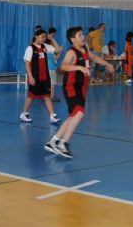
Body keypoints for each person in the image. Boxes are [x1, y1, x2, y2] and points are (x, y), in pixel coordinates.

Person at [44, 27, 114, 158]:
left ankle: (53, 141)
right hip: (71, 86)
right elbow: (62, 67)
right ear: (73, 39)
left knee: (73, 116)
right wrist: (79, 67)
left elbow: (94, 58)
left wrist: (107, 64)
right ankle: (63, 143)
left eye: (83, 34)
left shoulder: (85, 49)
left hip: (82, 88)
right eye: (80, 35)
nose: (83, 37)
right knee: (80, 113)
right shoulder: (71, 52)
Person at [20, 29, 60, 124]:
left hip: (45, 77)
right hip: (35, 77)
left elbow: (57, 50)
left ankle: (52, 115)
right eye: (42, 36)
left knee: (47, 96)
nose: (43, 39)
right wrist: (30, 77)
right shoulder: (30, 48)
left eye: (45, 37)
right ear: (36, 36)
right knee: (31, 96)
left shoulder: (45, 46)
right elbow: (27, 64)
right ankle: (24, 113)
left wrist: (52, 39)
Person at [45, 27, 63, 102]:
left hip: (50, 68)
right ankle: (51, 97)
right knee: (52, 84)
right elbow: (57, 53)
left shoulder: (50, 53)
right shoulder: (49, 51)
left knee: (51, 84)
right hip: (50, 68)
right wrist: (60, 51)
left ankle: (49, 96)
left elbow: (56, 57)